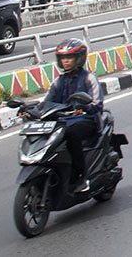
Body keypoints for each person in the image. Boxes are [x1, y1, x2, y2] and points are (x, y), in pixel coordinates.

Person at [43, 37, 103, 192]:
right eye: (63, 58)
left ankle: (80, 175)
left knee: (71, 134)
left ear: (79, 58)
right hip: (63, 120)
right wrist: (30, 110)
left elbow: (97, 104)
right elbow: (47, 102)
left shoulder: (89, 78)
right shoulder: (59, 81)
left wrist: (86, 107)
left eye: (69, 57)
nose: (66, 62)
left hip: (87, 120)